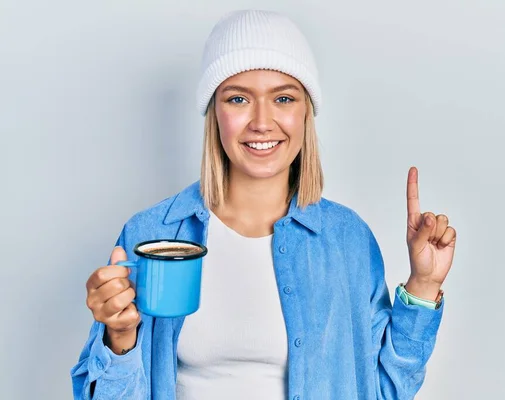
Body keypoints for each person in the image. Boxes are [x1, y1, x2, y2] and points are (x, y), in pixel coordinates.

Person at [71, 9, 456, 400]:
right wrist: (118, 337)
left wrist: (423, 287)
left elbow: (384, 391)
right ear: (214, 113)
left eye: (283, 98)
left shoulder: (346, 240)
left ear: (305, 111)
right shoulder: (151, 235)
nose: (261, 122)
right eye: (238, 98)